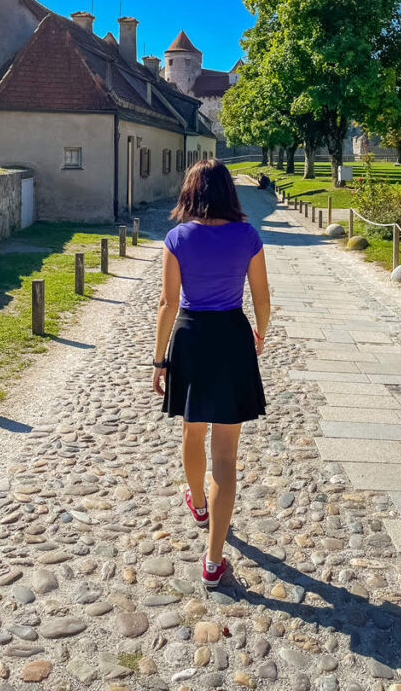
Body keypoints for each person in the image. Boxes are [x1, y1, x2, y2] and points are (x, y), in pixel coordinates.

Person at [153, 159, 270, 588]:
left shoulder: (177, 237)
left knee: (191, 430)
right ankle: (214, 558)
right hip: (232, 336)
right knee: (226, 455)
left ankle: (198, 504)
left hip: (189, 335)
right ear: (228, 192)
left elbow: (167, 303)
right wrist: (260, 334)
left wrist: (158, 358)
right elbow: (262, 295)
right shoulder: (247, 236)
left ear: (190, 192)